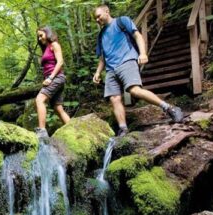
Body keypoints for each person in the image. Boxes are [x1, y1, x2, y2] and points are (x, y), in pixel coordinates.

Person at [92, 4, 183, 136]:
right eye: (95, 18)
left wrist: (143, 53)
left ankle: (170, 108)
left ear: (107, 11)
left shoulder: (121, 21)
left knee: (134, 90)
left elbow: (137, 36)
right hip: (111, 69)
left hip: (127, 61)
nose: (97, 20)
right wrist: (97, 72)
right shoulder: (101, 36)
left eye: (98, 16)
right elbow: (102, 57)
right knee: (114, 99)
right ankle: (123, 129)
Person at [34, 26, 70, 139]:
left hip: (56, 78)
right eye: (38, 37)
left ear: (47, 33)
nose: (39, 38)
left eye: (41, 35)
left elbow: (60, 62)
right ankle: (74, 129)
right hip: (54, 78)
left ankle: (42, 131)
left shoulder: (54, 45)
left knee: (39, 100)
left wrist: (50, 78)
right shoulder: (46, 49)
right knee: (58, 108)